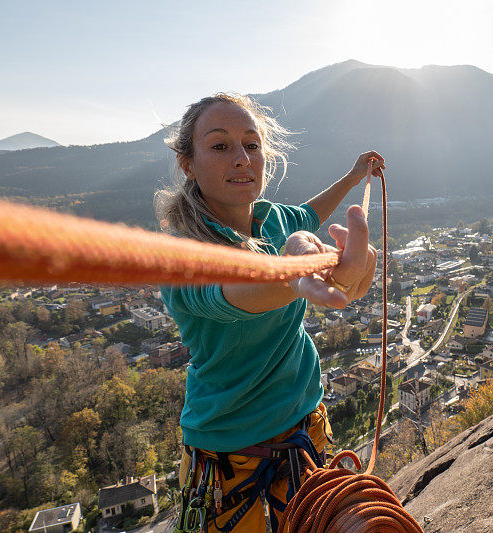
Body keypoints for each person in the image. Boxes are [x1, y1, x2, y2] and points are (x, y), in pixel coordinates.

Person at [155, 92, 385, 532]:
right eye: (220, 146)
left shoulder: (274, 219)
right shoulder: (180, 255)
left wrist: (354, 176)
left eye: (252, 144)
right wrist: (291, 274)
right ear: (188, 164)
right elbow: (230, 294)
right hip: (231, 451)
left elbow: (309, 213)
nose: (242, 158)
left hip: (306, 422)